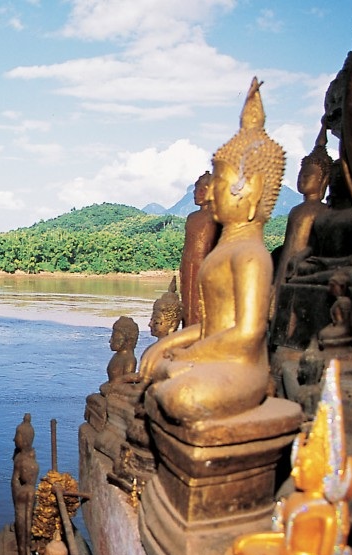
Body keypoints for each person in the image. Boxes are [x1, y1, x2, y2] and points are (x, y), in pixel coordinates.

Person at [138, 77, 283, 425]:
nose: (211, 195)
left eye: (219, 186)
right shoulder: (222, 252)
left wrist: (187, 357)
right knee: (160, 378)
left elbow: (248, 334)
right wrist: (165, 347)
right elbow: (211, 327)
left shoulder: (251, 255)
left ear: (252, 192)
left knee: (181, 394)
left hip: (242, 367)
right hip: (216, 356)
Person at [212, 361, 352, 555]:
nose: (295, 472)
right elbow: (280, 538)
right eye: (297, 464)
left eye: (302, 466)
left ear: (322, 470)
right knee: (241, 547)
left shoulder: (325, 514)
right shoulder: (296, 499)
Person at [272, 123, 331, 300]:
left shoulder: (322, 211)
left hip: (303, 272)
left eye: (308, 175)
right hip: (285, 269)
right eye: (300, 175)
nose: (302, 179)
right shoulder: (296, 210)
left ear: (324, 180)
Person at [180, 172, 220, 327]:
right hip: (188, 266)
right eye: (195, 190)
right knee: (187, 304)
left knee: (201, 306)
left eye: (202, 190)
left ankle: (200, 334)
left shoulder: (216, 218)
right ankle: (188, 330)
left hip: (205, 267)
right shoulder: (192, 217)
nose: (196, 194)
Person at [12, 415, 39, 555]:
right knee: (23, 524)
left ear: (24, 439)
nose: (14, 440)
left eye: (17, 436)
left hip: (22, 497)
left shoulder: (24, 461)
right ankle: (24, 552)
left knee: (24, 527)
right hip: (21, 496)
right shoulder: (21, 457)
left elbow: (16, 479)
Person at [317, 270, 352, 348]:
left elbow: (345, 323)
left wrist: (337, 326)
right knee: (321, 333)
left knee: (323, 334)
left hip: (343, 329)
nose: (331, 289)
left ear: (342, 287)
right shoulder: (339, 301)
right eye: (330, 286)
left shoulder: (345, 301)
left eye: (333, 286)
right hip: (337, 327)